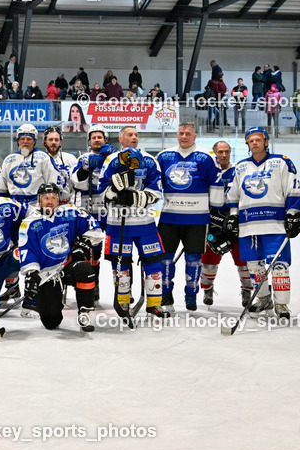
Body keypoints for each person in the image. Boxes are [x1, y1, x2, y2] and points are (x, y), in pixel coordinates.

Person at [222, 127, 300, 319]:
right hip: (248, 226)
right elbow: (233, 195)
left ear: (266, 142)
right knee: (254, 266)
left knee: (279, 265)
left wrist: (294, 214)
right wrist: (233, 216)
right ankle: (264, 298)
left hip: (275, 224)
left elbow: (293, 189)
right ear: (247, 144)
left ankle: (282, 304)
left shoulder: (281, 162)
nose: (255, 143)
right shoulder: (240, 167)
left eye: (258, 139)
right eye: (251, 141)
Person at [98, 127, 166, 318]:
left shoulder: (150, 160)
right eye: (130, 134)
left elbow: (157, 191)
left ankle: (154, 304)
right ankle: (122, 301)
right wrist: (114, 190)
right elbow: (102, 192)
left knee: (153, 263)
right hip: (117, 222)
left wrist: (135, 197)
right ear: (121, 139)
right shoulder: (111, 161)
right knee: (120, 265)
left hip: (145, 222)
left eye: (136, 134)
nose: (134, 137)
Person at [18, 183, 104, 332]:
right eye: (46, 198)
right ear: (39, 201)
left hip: (68, 265)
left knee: (85, 269)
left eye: (53, 197)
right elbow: (27, 250)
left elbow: (94, 228)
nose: (50, 201)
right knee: (51, 322)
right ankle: (54, 302)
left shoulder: (71, 212)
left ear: (58, 200)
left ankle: (84, 312)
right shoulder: (29, 223)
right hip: (48, 273)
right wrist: (32, 274)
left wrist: (83, 243)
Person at [155, 123, 218, 311]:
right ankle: (166, 295)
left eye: (188, 133)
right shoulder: (164, 156)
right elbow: (156, 183)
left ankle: (191, 295)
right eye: (181, 133)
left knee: (193, 259)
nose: (184, 136)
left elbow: (215, 184)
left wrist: (215, 212)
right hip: (169, 218)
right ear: (177, 135)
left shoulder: (206, 157)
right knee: (165, 259)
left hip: (197, 219)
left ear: (195, 136)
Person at [200, 141, 254, 308]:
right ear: (214, 152)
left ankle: (247, 290)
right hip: (213, 225)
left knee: (243, 260)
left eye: (226, 152)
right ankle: (207, 289)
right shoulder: (209, 172)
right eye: (220, 152)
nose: (223, 155)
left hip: (236, 223)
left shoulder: (238, 171)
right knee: (209, 261)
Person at [71, 126, 116, 304]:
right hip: (90, 212)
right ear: (89, 141)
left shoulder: (114, 157)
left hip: (112, 211)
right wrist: (85, 168)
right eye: (94, 137)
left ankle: (121, 289)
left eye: (100, 137)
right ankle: (93, 284)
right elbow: (75, 183)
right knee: (92, 252)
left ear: (105, 139)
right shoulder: (83, 158)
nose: (97, 140)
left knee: (117, 251)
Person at [0, 123, 61, 208]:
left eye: (29, 139)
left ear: (34, 141)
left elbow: (53, 184)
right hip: (14, 206)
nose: (25, 142)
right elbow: (2, 189)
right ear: (18, 141)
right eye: (22, 139)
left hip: (37, 207)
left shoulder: (44, 158)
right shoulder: (9, 160)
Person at [43, 127, 77, 204]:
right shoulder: (39, 159)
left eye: (56, 140)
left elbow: (76, 184)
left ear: (60, 142)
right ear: (45, 141)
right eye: (50, 139)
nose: (53, 142)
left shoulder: (70, 159)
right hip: (46, 204)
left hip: (67, 204)